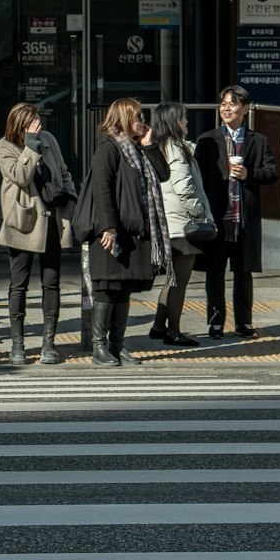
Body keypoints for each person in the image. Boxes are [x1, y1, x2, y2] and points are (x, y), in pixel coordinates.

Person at [83, 97, 171, 368]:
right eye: (137, 118)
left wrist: (150, 146)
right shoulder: (109, 148)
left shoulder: (137, 149)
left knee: (123, 291)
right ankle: (100, 348)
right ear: (122, 118)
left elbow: (164, 174)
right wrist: (108, 227)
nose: (142, 122)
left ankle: (117, 346)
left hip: (133, 233)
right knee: (107, 289)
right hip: (112, 233)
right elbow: (102, 189)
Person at [0, 102, 77, 367]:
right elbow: (20, 176)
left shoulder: (49, 139)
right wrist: (30, 144)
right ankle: (17, 344)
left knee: (51, 282)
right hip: (24, 222)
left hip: (53, 219)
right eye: (31, 122)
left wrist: (70, 196)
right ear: (19, 124)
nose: (38, 125)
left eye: (38, 120)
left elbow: (63, 172)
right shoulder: (4, 146)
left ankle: (48, 343)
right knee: (18, 284)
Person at [195, 84, 278, 339]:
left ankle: (244, 323)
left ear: (245, 108)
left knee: (244, 274)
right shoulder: (207, 140)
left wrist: (248, 174)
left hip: (244, 219)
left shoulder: (258, 140)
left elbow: (272, 173)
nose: (226, 108)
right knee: (214, 274)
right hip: (218, 219)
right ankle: (216, 324)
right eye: (223, 104)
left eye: (232, 104)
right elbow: (197, 176)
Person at [147, 101, 213, 347]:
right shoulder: (173, 148)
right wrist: (200, 213)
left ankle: (157, 326)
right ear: (174, 121)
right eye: (183, 118)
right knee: (178, 280)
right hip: (182, 223)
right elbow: (184, 188)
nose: (187, 122)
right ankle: (173, 331)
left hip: (173, 222)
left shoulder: (167, 146)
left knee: (172, 278)